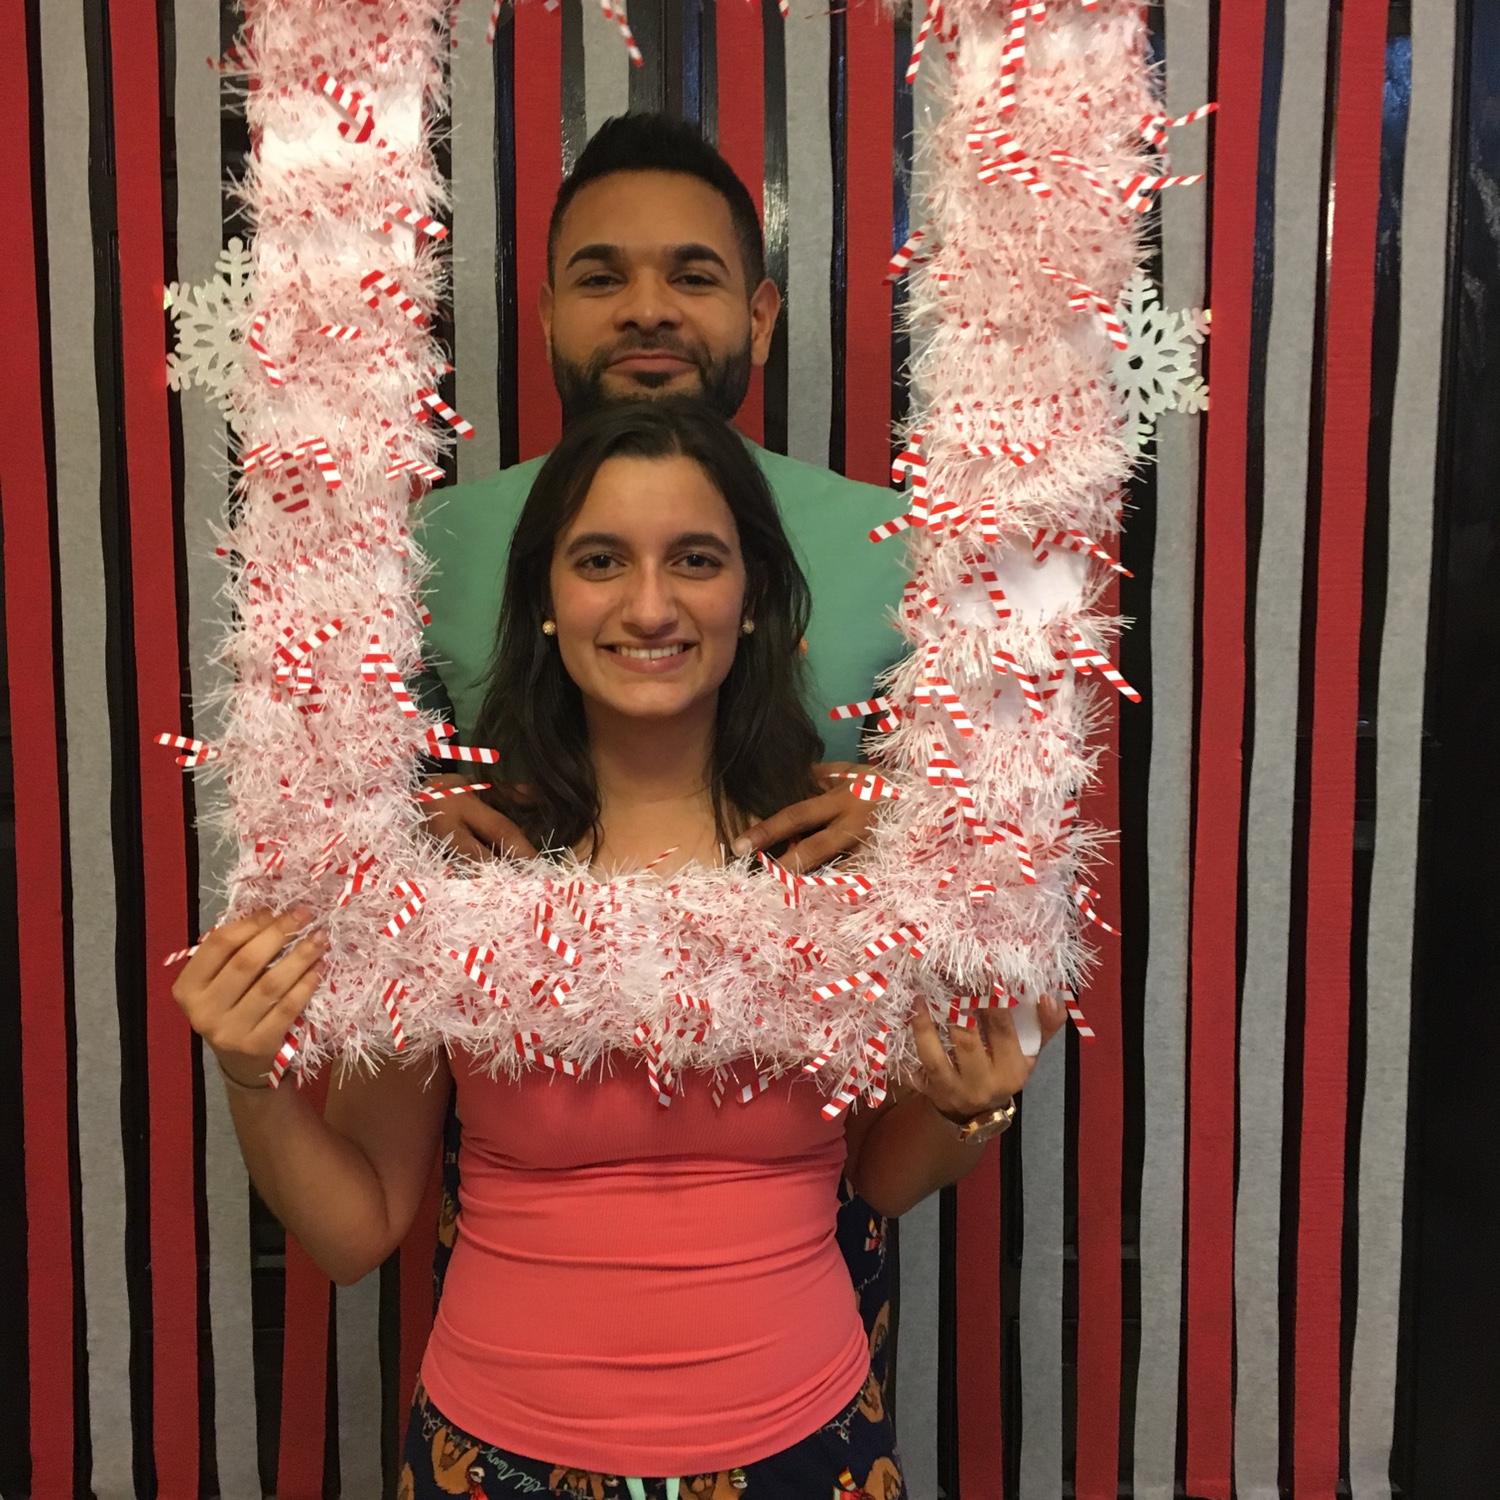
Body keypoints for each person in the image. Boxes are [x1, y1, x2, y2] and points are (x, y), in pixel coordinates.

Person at [173, 400, 1063, 1498]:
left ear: (752, 596)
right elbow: (356, 1232)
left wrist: (974, 1106)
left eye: (695, 559)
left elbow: (881, 1175)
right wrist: (251, 1079)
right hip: (496, 1458)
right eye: (601, 561)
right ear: (546, 601)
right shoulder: (455, 866)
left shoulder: (840, 856)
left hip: (807, 1446)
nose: (649, 606)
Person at [416, 111, 911, 1409]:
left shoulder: (904, 548)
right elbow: (355, 817)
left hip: (807, 1177)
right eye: (602, 276)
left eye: (692, 274)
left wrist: (916, 820)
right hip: (536, 1178)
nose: (648, 309)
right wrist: (406, 828)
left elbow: (1000, 826)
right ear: (545, 315)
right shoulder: (424, 548)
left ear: (760, 316)